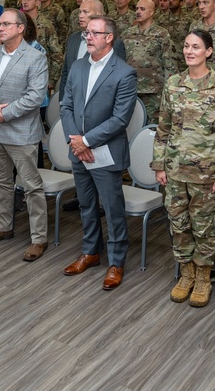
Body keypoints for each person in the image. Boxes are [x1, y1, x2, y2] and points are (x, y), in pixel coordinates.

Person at [153, 30, 215, 308]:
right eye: (187, 46)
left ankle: (203, 277)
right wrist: (159, 164)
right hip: (175, 169)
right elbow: (163, 128)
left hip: (206, 173)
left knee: (202, 228)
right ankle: (186, 274)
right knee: (178, 225)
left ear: (209, 52)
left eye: (196, 47)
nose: (190, 51)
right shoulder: (173, 83)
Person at [60, 15, 138, 291]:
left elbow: (120, 119)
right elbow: (66, 106)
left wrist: (87, 141)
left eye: (95, 33)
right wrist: (75, 141)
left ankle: (116, 262)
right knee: (86, 205)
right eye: (86, 34)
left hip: (105, 152)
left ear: (109, 38)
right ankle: (90, 252)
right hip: (78, 151)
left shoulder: (124, 73)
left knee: (113, 208)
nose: (88, 37)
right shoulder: (79, 67)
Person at [0, 8, 49, 262]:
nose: (0, 28)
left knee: (31, 188)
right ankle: (2, 227)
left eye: (7, 24)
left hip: (22, 132)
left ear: (21, 28)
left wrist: (4, 113)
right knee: (1, 182)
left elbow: (35, 97)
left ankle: (39, 238)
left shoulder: (36, 57)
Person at [121, 0, 177, 124]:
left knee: (152, 126)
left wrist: (170, 90)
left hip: (153, 91)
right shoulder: (127, 33)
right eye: (136, 8)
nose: (138, 12)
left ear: (151, 12)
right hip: (130, 89)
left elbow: (170, 63)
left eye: (142, 9)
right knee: (130, 124)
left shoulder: (162, 34)